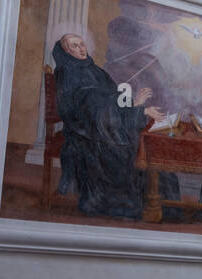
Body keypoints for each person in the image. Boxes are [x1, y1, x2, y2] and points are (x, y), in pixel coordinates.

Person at [52, 34, 165, 219]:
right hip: (85, 131)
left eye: (82, 44)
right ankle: (125, 204)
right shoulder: (68, 72)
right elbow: (91, 107)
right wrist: (140, 112)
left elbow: (111, 98)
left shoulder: (93, 69)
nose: (81, 49)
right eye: (75, 46)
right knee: (121, 150)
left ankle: (153, 201)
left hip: (102, 125)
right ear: (66, 50)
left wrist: (134, 104)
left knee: (144, 144)